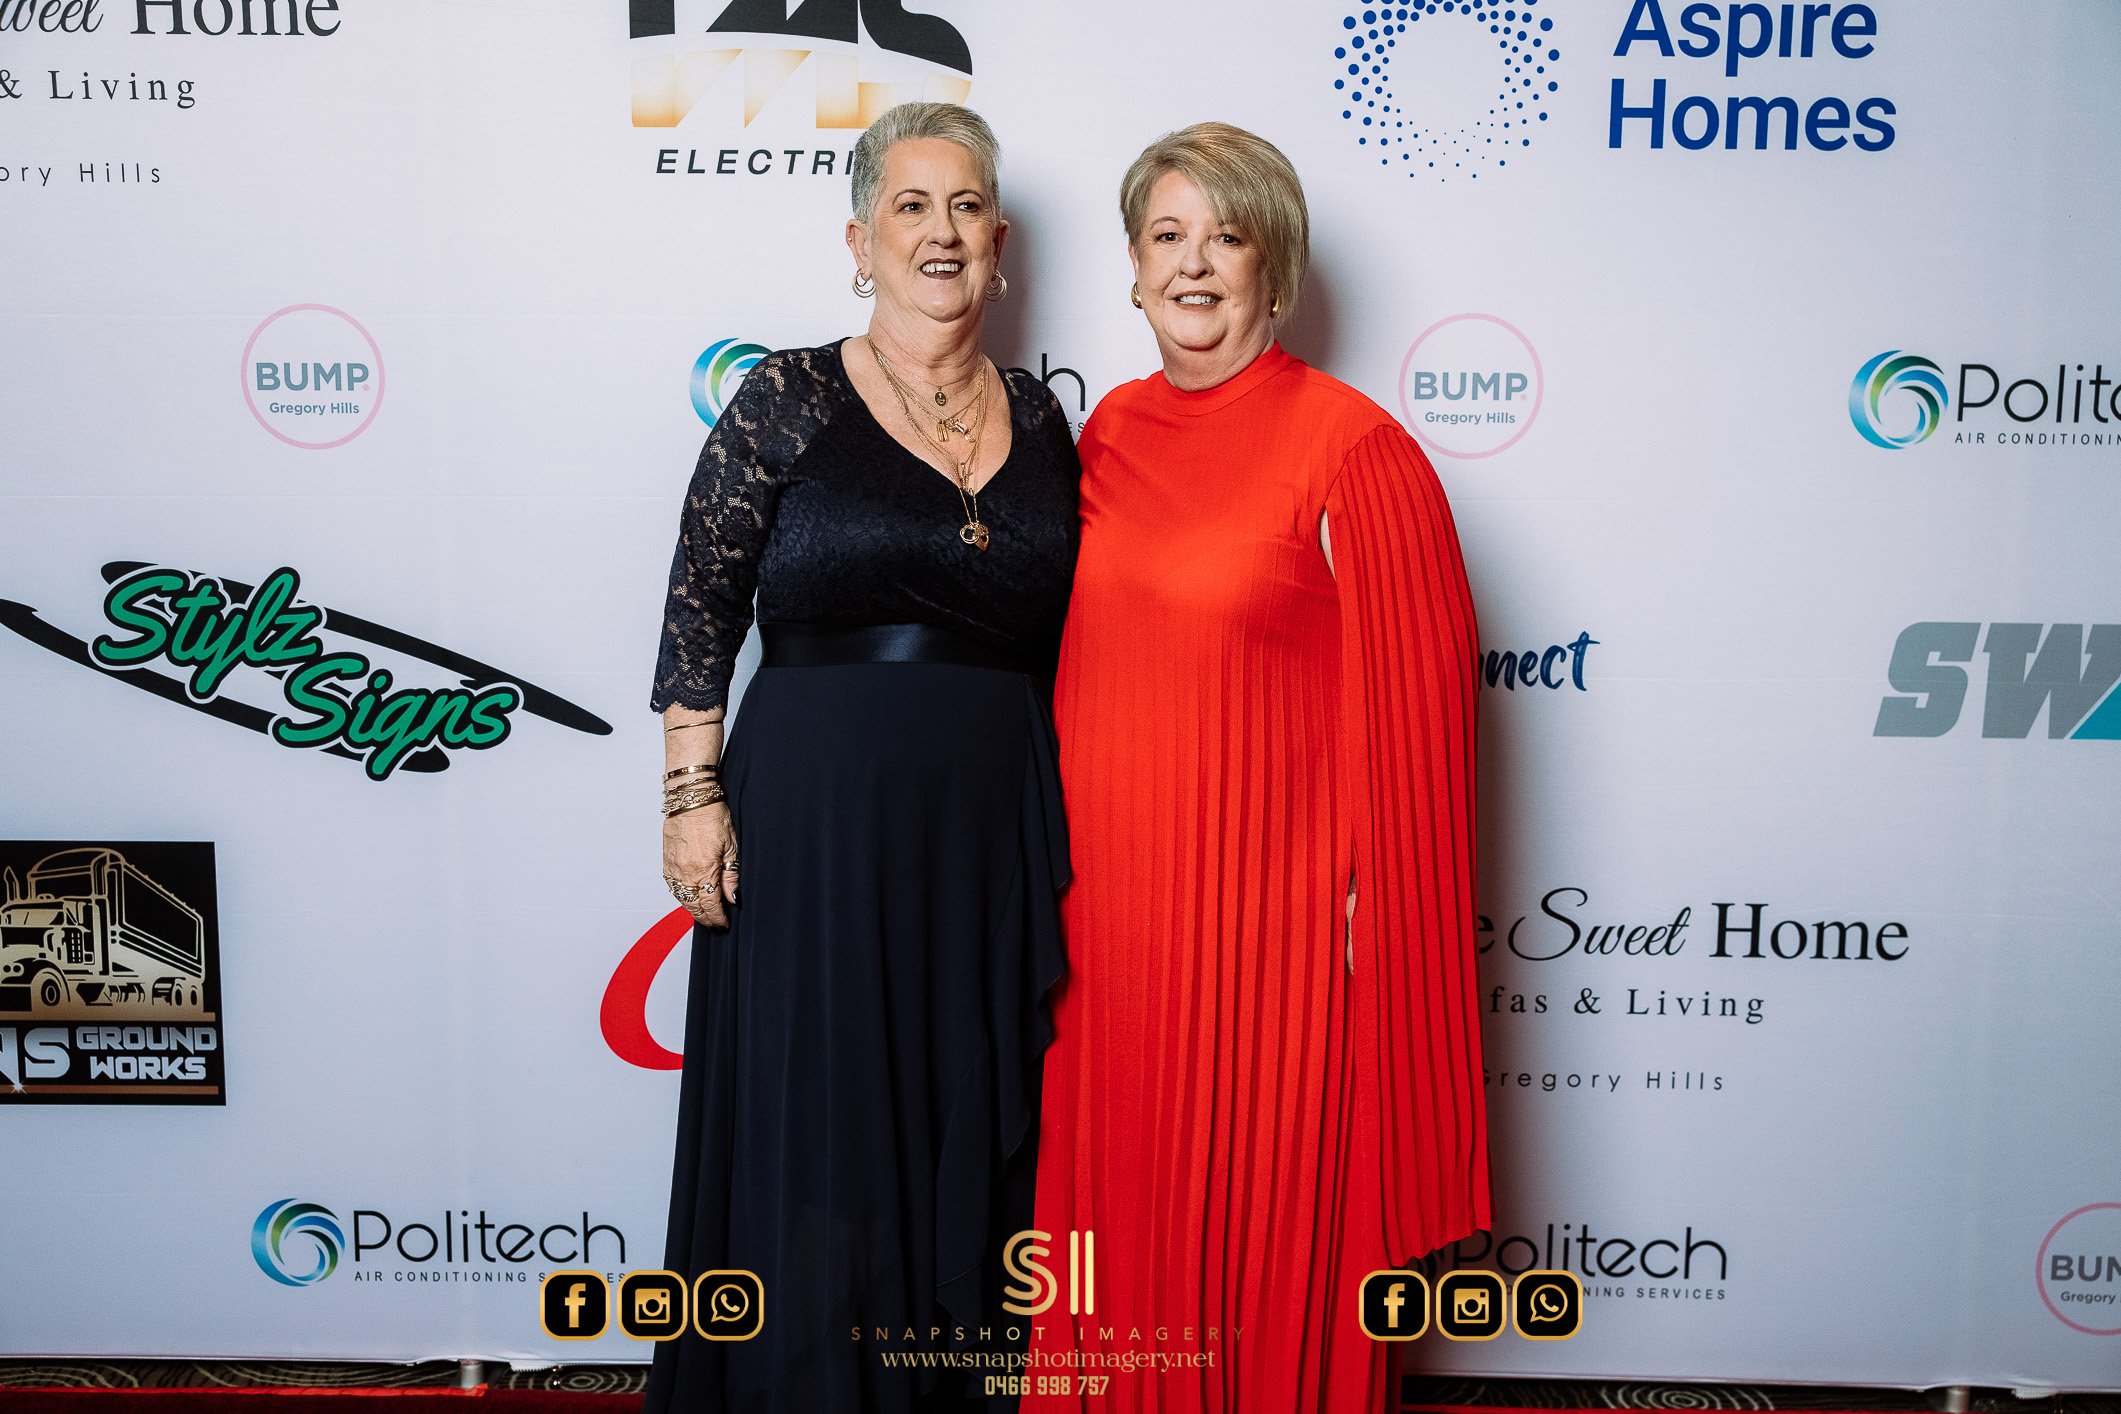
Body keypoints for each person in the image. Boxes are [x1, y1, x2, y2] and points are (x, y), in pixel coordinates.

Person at [1025, 123, 1490, 1411]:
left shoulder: (1355, 447)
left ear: (1273, 270)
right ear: (1132, 268)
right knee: (1112, 1250)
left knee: (1263, 1239)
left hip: (1267, 940)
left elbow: (1424, 733)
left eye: (1225, 237)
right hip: (1106, 935)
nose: (1192, 264)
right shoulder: (1106, 432)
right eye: (1166, 235)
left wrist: (1367, 924)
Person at [645, 102, 1078, 1413]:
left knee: (968, 1109)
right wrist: (691, 797)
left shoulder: (1043, 418)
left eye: (965, 208)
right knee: (822, 1118)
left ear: (999, 242)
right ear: (859, 239)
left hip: (987, 826)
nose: (941, 232)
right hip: (818, 819)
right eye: (911, 205)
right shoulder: (784, 397)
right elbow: (700, 611)